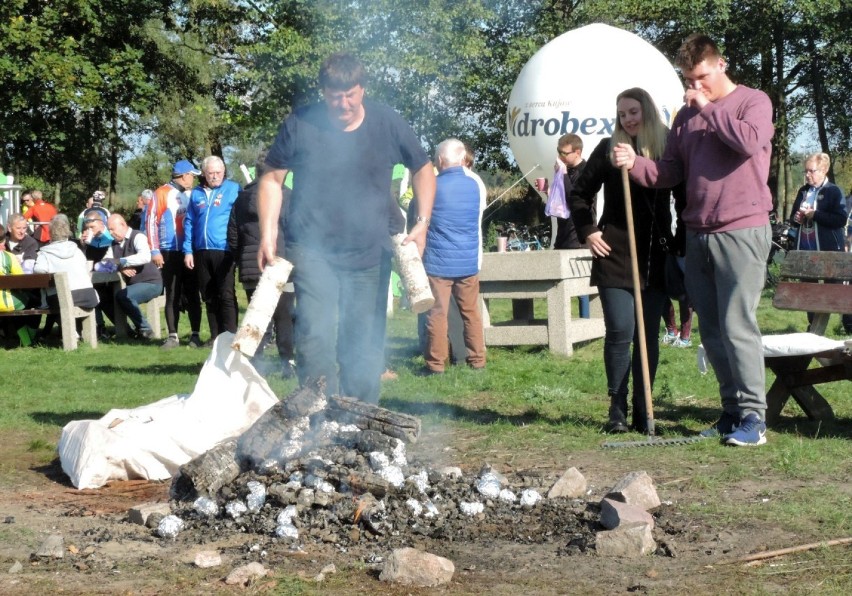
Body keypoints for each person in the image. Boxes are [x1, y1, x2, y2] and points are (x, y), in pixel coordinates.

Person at [613, 33, 774, 446]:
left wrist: (706, 107)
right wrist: (636, 164)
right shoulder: (685, 118)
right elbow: (670, 173)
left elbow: (747, 142)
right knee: (713, 330)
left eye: (702, 77)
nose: (696, 86)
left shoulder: (753, 102)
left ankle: (755, 419)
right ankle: (731, 412)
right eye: (690, 80)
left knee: (738, 324)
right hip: (697, 233)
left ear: (721, 64)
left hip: (742, 228)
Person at [257, 52, 435, 404]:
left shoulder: (387, 122)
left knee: (364, 340)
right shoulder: (301, 123)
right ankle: (316, 412)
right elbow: (271, 180)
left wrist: (422, 222)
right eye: (336, 96)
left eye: (351, 95)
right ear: (324, 92)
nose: (344, 103)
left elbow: (423, 168)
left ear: (362, 89)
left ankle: (361, 417)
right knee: (314, 336)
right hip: (313, 250)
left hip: (370, 251)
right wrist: (267, 233)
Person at [569, 87, 680, 434]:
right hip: (615, 255)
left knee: (647, 337)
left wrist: (683, 243)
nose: (628, 119)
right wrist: (588, 231)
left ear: (647, 111)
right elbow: (579, 195)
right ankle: (616, 410)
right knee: (620, 331)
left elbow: (686, 195)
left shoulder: (667, 149)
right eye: (622, 113)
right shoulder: (608, 150)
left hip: (654, 257)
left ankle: (644, 410)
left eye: (633, 111)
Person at [421, 138, 486, 374]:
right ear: (462, 158)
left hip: (438, 263)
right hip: (468, 260)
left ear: (439, 160)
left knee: (437, 314)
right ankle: (477, 360)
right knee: (471, 313)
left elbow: (421, 219)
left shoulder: (432, 186)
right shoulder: (476, 185)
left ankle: (436, 364)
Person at [227, 157, 295, 376]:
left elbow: (233, 235)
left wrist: (241, 258)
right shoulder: (287, 196)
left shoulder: (241, 199)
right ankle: (287, 362)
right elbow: (295, 231)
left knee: (256, 315)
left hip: (250, 264)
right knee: (284, 316)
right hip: (281, 263)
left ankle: (255, 364)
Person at [787, 152, 851, 332]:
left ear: (823, 171)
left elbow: (840, 219)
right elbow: (793, 218)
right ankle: (813, 327)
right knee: (809, 290)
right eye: (805, 171)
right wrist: (797, 218)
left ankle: (847, 324)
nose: (807, 175)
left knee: (835, 290)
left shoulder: (833, 191)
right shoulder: (803, 191)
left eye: (811, 171)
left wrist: (815, 215)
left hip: (828, 250)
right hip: (805, 249)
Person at [184, 155, 240, 343]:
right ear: (204, 174)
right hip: (201, 251)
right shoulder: (196, 193)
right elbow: (190, 222)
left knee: (226, 293)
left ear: (224, 172)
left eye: (218, 172)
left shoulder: (233, 189)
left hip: (224, 249)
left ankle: (231, 335)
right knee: (208, 295)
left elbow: (239, 219)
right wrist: (188, 250)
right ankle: (216, 337)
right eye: (210, 173)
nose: (215, 176)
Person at [147, 160, 203, 349]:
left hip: (190, 251)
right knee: (172, 293)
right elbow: (151, 223)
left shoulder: (193, 194)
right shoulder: (161, 193)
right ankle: (173, 336)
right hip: (169, 250)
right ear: (184, 175)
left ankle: (195, 335)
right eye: (192, 176)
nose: (193, 179)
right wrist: (155, 250)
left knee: (193, 293)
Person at [33, 215, 99, 339]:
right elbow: (85, 268)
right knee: (58, 300)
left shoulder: (45, 253)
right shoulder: (77, 250)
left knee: (54, 300)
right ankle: (76, 331)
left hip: (65, 298)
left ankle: (71, 331)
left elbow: (38, 270)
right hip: (88, 296)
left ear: (51, 234)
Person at [550, 133, 590, 319]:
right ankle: (561, 324)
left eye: (564, 153)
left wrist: (564, 175)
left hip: (579, 234)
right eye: (559, 152)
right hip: (563, 233)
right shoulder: (565, 169)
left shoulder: (586, 170)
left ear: (577, 152)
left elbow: (573, 197)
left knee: (581, 284)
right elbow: (559, 203)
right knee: (558, 284)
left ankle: (586, 323)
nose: (561, 157)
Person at [106, 214, 163, 340]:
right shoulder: (112, 244)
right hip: (134, 285)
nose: (110, 233)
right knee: (105, 298)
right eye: (108, 229)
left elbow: (145, 257)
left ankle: (145, 330)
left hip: (151, 283)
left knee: (123, 296)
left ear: (122, 224)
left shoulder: (138, 236)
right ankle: (128, 330)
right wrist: (121, 267)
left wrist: (121, 262)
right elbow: (106, 263)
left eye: (112, 229)